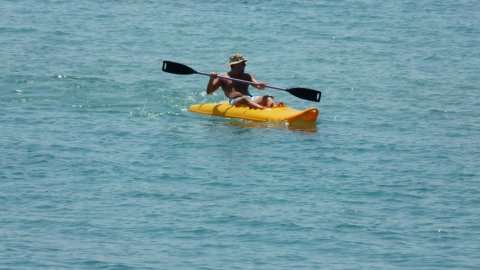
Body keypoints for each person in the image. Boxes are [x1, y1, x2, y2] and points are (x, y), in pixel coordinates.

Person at [206, 53, 275, 109]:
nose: (245, 65)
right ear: (235, 65)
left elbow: (258, 86)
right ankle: (264, 110)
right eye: (243, 63)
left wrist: (261, 85)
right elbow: (209, 92)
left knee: (269, 97)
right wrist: (211, 79)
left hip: (250, 98)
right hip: (235, 101)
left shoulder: (247, 76)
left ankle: (274, 111)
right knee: (244, 99)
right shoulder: (222, 77)